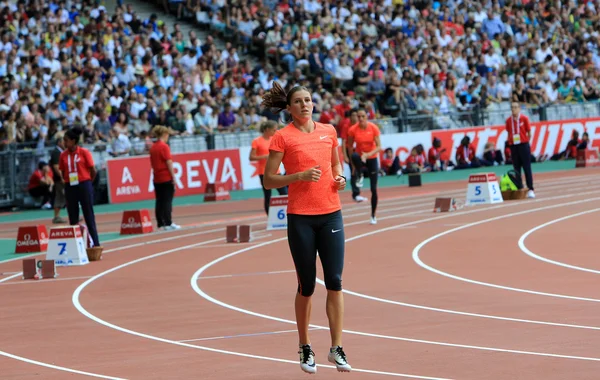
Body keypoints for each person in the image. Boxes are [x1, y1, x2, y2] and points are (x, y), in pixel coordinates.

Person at [261, 81, 351, 374]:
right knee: (307, 285)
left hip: (331, 214)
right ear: (289, 108)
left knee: (335, 281)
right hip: (301, 217)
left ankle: (336, 347)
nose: (304, 104)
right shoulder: (282, 138)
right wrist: (298, 175)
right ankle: (305, 345)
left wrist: (341, 179)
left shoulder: (329, 132)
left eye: (308, 99)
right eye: (298, 101)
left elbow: (336, 166)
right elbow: (269, 180)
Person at [58, 127, 101, 248]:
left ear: (73, 141)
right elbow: (62, 171)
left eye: (66, 140)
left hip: (84, 184)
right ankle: (76, 247)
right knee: (73, 216)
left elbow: (93, 170)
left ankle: (96, 244)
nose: (64, 143)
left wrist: (87, 182)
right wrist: (67, 181)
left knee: (88, 215)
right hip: (70, 186)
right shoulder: (63, 155)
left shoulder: (84, 152)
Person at [347, 108, 382, 224]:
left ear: (367, 117)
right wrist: (352, 164)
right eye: (359, 116)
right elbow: (350, 148)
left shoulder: (373, 128)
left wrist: (368, 154)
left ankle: (373, 215)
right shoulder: (353, 129)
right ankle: (360, 173)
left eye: (363, 116)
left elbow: (379, 146)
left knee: (373, 189)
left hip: (371, 158)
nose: (361, 119)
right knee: (356, 156)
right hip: (360, 158)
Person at [249, 120, 288, 215]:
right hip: (263, 172)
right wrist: (265, 156)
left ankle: (286, 214)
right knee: (268, 195)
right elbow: (251, 157)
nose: (275, 132)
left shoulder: (274, 140)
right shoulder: (257, 141)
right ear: (267, 130)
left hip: (276, 171)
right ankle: (270, 216)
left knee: (284, 193)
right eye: (273, 130)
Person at [149, 126, 181, 230]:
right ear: (164, 135)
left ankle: (160, 223)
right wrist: (173, 177)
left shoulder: (153, 147)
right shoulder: (164, 147)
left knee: (159, 200)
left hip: (156, 177)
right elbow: (169, 162)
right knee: (167, 201)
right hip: (165, 177)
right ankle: (168, 222)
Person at [505, 102, 535, 198]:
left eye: (515, 107)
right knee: (516, 168)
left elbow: (529, 132)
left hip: (523, 145)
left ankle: (530, 189)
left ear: (519, 109)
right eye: (512, 107)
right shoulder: (508, 120)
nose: (513, 109)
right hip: (514, 146)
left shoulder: (524, 118)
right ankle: (519, 187)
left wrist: (525, 142)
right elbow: (509, 133)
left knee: (527, 167)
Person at [49, 132, 67, 223]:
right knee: (60, 196)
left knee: (65, 196)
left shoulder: (61, 152)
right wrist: (62, 177)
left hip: (62, 178)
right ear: (59, 142)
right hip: (59, 179)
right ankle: (56, 217)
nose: (66, 144)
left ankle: (72, 214)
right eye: (64, 142)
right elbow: (56, 166)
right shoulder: (56, 152)